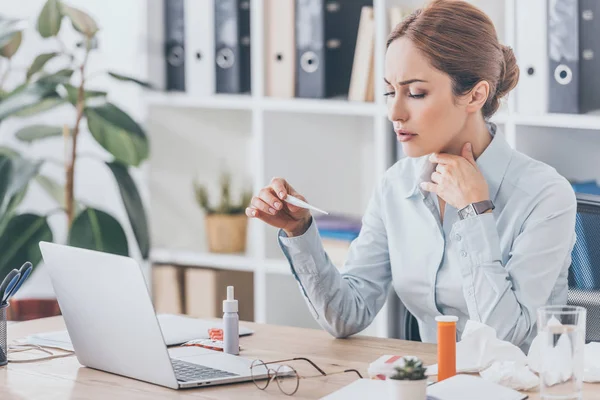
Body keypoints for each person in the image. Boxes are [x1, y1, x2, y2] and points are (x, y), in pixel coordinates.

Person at [245, 0, 576, 353]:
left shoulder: (545, 196)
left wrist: (475, 213)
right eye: (390, 91)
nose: (394, 112)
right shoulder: (396, 185)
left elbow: (509, 340)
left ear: (475, 96)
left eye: (416, 93)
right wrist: (299, 231)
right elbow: (346, 315)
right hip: (428, 385)